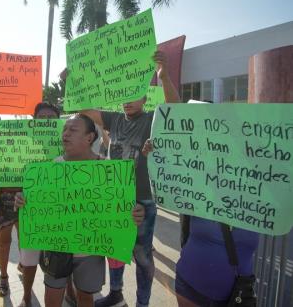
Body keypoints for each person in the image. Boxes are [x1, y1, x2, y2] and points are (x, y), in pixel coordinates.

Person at [80, 51, 181, 307]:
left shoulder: (151, 119)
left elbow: (176, 110)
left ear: (145, 97)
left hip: (143, 201)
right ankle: (116, 294)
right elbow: (85, 109)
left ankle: (142, 303)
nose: (127, 101)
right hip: (116, 201)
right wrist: (80, 79)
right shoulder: (113, 120)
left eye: (134, 94)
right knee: (115, 250)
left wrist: (163, 75)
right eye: (123, 96)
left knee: (142, 257)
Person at [14, 113, 145, 307]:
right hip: (56, 248)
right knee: (52, 297)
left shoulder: (108, 171)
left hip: (91, 251)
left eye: (73, 130)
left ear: (89, 137)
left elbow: (123, 209)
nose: (65, 134)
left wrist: (135, 213)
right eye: (65, 129)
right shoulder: (50, 169)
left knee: (85, 297)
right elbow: (36, 205)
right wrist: (23, 201)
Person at [141, 140, 259, 307]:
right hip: (190, 287)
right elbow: (169, 182)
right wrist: (156, 154)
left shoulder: (262, 198)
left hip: (238, 294)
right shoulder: (199, 185)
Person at [0, 102, 62, 299]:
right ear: (33, 120)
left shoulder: (60, 146)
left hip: (33, 203)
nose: (47, 122)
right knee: (3, 242)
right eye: (42, 118)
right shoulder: (15, 137)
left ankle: (24, 272)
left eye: (52, 119)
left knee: (27, 243)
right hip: (5, 199)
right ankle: (3, 277)